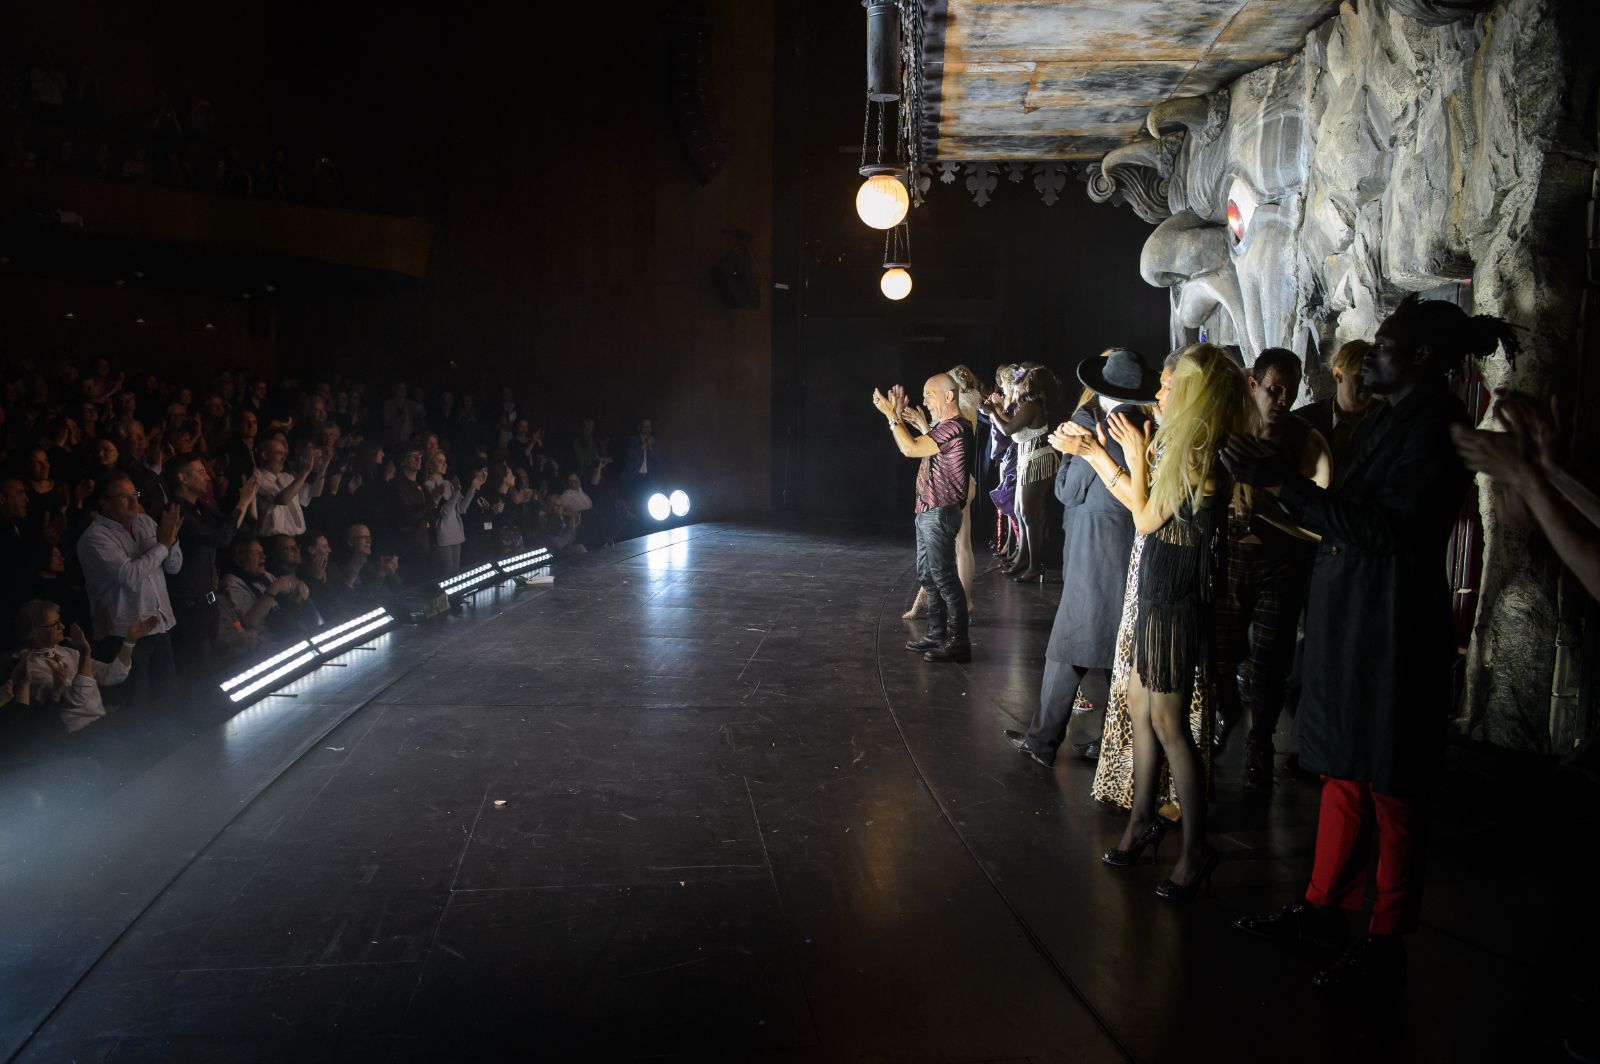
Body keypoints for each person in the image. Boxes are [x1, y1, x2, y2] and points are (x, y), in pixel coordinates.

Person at [1227, 295, 1517, 990]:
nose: (1369, 351)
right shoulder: (1397, 417)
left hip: (1390, 630)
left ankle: (1386, 940)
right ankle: (1323, 908)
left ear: (1420, 356)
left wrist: (1282, 483)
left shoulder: (1435, 426)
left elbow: (1386, 530)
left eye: (1383, 344)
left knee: (1391, 785)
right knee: (1347, 775)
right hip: (1361, 621)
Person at [1101, 343, 1250, 901]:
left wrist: (1135, 454)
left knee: (1170, 725)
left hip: (1176, 600)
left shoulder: (1198, 453)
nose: (1159, 391)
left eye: (1170, 385)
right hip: (1160, 591)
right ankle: (1142, 820)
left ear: (1194, 392)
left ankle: (1196, 848)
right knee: (1142, 707)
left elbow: (1143, 518)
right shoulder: (1185, 445)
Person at [1006, 348, 1158, 767]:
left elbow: (1067, 491)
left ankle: (1044, 742)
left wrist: (1068, 458)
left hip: (1095, 546)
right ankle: (1112, 740)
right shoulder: (1145, 423)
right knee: (1112, 645)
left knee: (1071, 644)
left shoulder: (1091, 423)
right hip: (1126, 542)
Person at [1215, 349, 1332, 787]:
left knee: (1270, 661)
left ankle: (1259, 744)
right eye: (1274, 389)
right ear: (1253, 383)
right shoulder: (1229, 429)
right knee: (1219, 654)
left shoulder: (1306, 441)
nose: (1283, 399)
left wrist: (1267, 501)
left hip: (1281, 562)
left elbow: (1317, 510)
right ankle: (1224, 721)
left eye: (1291, 389)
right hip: (1229, 557)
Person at [872, 374, 973, 663]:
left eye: (930, 394)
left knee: (943, 576)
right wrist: (909, 423)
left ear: (949, 396)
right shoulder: (946, 427)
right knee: (929, 574)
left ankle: (958, 641)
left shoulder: (954, 427)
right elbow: (924, 446)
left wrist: (892, 418)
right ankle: (937, 633)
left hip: (940, 510)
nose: (925, 399)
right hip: (928, 509)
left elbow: (910, 448)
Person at [76, 474, 183, 711]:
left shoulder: (144, 522)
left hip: (161, 624)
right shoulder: (95, 538)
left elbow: (174, 567)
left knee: (169, 701)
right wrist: (163, 545)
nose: (134, 502)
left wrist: (172, 541)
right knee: (138, 706)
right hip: (125, 634)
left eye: (135, 495)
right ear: (104, 503)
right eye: (124, 497)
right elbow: (130, 576)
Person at [168, 453, 259, 686]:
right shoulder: (176, 512)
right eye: (199, 472)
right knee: (199, 671)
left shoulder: (201, 508)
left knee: (211, 666)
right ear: (182, 478)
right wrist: (242, 502)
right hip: (189, 606)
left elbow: (241, 530)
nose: (206, 477)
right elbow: (220, 538)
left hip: (208, 602)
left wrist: (249, 500)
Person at [13, 602, 157, 732]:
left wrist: (129, 641)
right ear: (35, 632)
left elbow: (111, 675)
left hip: (100, 723)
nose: (62, 627)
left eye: (60, 622)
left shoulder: (65, 652)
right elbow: (77, 700)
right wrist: (85, 653)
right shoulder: (31, 667)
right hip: (79, 734)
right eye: (54, 624)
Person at [983, 363, 1061, 582]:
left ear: (1029, 384)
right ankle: (1023, 559)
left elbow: (1008, 430)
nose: (1016, 387)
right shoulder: (1028, 405)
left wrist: (992, 412)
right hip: (1029, 459)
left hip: (1037, 460)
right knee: (1020, 511)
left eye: (1019, 382)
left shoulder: (1032, 405)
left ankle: (1034, 565)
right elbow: (1010, 426)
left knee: (1028, 514)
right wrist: (997, 412)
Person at [1298, 339, 1377, 467]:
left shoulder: (1387, 418)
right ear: (1338, 374)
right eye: (1360, 377)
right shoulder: (1304, 421)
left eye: (1372, 377)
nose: (1368, 384)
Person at [426, 450, 484, 578]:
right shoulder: (429, 484)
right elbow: (444, 512)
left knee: (455, 574)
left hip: (456, 533)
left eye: (445, 461)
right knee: (446, 575)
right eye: (440, 461)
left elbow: (462, 508)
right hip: (442, 536)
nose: (444, 464)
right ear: (430, 465)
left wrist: (472, 488)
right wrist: (456, 492)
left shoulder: (448, 484)